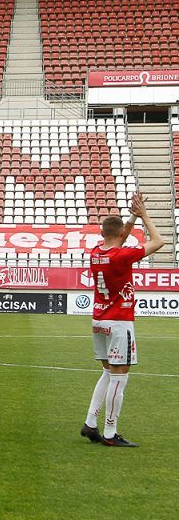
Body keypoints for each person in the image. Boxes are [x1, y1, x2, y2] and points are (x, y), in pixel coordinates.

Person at [82, 192, 163, 447]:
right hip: (119, 321)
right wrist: (144, 216)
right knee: (120, 377)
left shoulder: (96, 252)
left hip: (99, 320)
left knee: (107, 371)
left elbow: (120, 236)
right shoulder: (122, 256)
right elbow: (159, 242)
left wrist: (131, 216)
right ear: (119, 234)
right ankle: (110, 432)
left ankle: (90, 423)